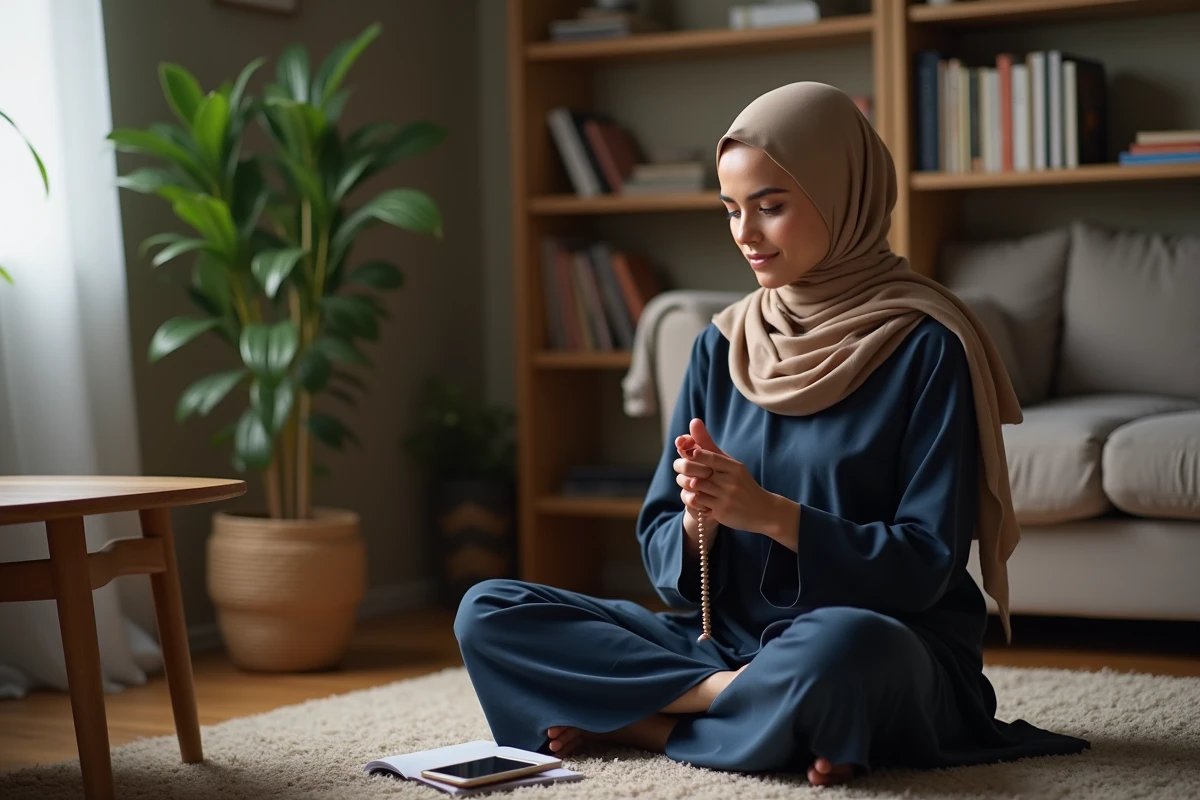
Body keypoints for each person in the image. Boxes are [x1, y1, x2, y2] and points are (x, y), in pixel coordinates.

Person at [454, 81, 1089, 786]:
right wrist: (701, 521)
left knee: (847, 650)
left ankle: (646, 721)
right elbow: (667, 566)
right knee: (489, 610)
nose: (745, 235)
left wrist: (772, 516)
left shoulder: (928, 346)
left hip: (879, 641)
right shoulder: (720, 346)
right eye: (731, 210)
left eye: (771, 207)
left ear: (843, 194)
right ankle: (740, 708)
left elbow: (925, 565)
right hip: (718, 647)